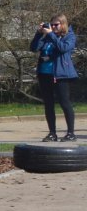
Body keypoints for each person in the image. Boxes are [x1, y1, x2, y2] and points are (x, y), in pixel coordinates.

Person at [31, 13, 77, 142]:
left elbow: (63, 48)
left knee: (64, 103)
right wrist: (39, 33)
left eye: (56, 25)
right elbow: (34, 48)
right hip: (44, 74)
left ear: (63, 24)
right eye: (51, 25)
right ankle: (52, 133)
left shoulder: (69, 36)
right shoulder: (47, 37)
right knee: (48, 104)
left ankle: (71, 133)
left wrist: (51, 34)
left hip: (61, 75)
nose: (53, 27)